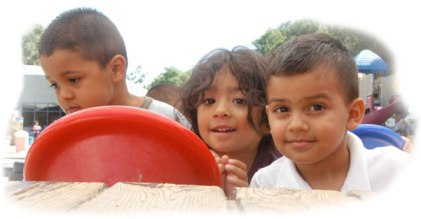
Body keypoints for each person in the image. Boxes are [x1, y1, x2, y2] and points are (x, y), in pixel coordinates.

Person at [250, 33, 409, 192]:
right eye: (282, 109)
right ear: (269, 116)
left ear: (353, 114)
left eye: (316, 107)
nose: (296, 125)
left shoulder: (396, 172)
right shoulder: (264, 184)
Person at [38, 8, 189, 128]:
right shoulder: (70, 133)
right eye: (54, 85)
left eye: (73, 79)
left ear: (116, 69)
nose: (63, 95)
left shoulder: (168, 119)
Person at [180, 46, 281, 197]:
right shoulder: (182, 166)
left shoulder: (283, 174)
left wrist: (247, 201)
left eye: (239, 100)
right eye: (209, 101)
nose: (221, 111)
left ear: (267, 121)